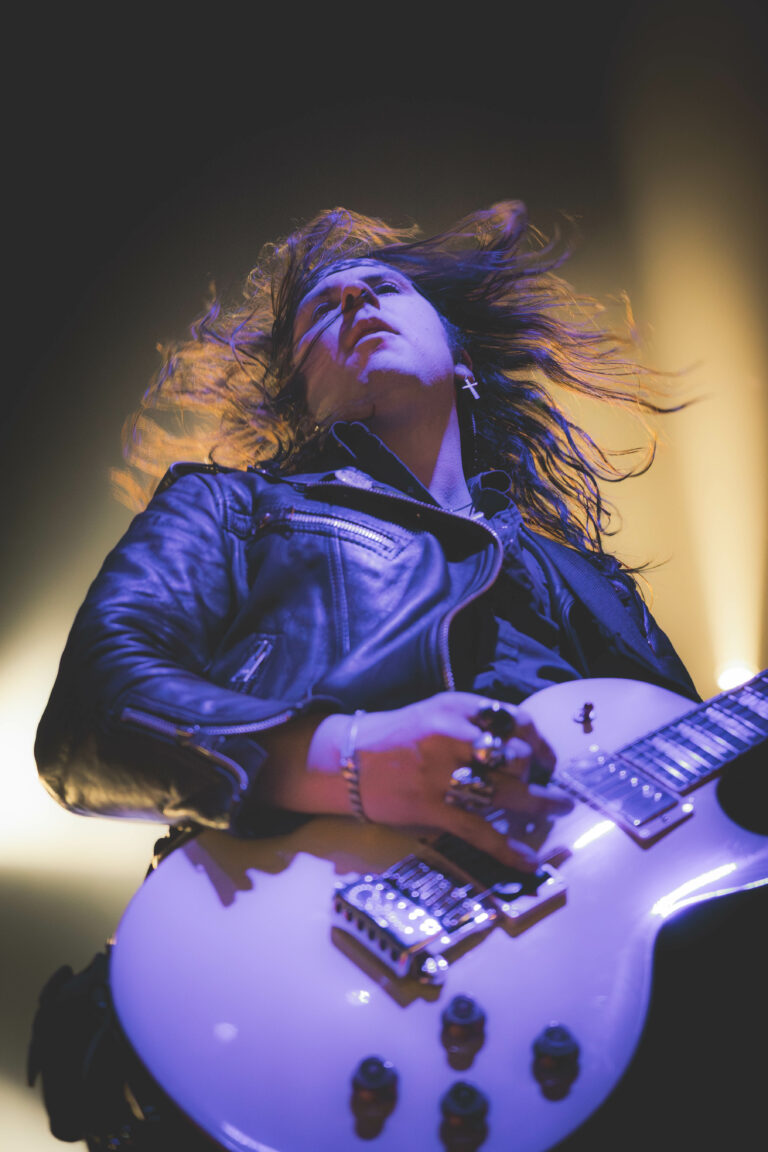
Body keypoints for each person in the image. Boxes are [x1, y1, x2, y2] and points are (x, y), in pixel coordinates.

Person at [32, 201, 710, 1149]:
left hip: (614, 1018)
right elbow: (96, 710)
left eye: (384, 287)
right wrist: (350, 758)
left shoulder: (591, 584)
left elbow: (709, 804)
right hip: (296, 994)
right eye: (322, 309)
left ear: (461, 360)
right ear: (301, 395)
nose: (354, 299)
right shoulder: (233, 510)